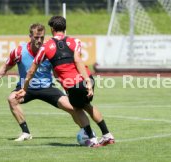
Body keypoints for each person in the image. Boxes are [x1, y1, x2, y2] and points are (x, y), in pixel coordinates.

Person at [0, 23, 92, 142]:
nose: (39, 40)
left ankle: (87, 131)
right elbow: (5, 68)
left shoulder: (49, 50)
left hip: (47, 87)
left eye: (42, 37)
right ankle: (26, 132)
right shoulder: (19, 51)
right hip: (26, 88)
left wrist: (67, 88)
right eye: (36, 37)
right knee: (12, 99)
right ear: (30, 36)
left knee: (72, 107)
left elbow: (57, 73)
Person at [16, 16, 115, 147]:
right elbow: (78, 61)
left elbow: (31, 71)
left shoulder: (45, 47)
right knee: (87, 106)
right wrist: (88, 83)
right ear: (65, 28)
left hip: (73, 83)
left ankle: (92, 139)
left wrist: (24, 88)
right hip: (88, 78)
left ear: (52, 29)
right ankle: (107, 135)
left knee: (78, 109)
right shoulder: (76, 41)